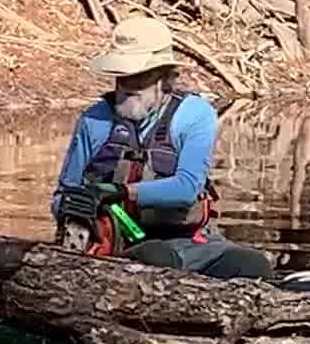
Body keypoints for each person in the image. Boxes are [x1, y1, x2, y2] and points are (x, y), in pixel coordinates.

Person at [51, 16, 272, 281]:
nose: (129, 85)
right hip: (119, 248)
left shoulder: (195, 114)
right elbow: (62, 195)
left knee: (253, 265)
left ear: (165, 79)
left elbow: (187, 188)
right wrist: (77, 206)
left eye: (140, 77)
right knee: (157, 258)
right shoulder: (94, 120)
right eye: (122, 77)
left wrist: (121, 192)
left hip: (188, 244)